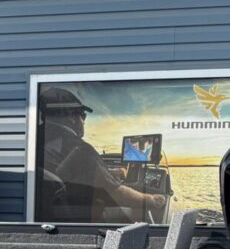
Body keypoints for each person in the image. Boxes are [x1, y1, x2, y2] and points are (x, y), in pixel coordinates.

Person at [38, 85, 151, 221]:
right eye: (83, 115)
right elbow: (118, 194)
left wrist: (109, 173)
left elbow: (66, 172)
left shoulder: (35, 139)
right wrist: (152, 199)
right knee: (133, 212)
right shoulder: (81, 149)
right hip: (81, 220)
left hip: (48, 215)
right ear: (72, 117)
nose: (84, 121)